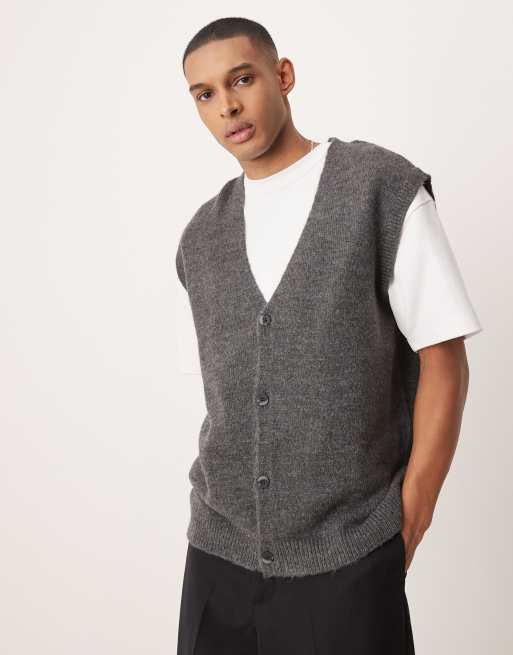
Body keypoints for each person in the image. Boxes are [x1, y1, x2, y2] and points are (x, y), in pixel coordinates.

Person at [174, 16, 483, 655]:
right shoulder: (201, 238)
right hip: (218, 557)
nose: (227, 106)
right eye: (205, 93)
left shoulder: (378, 188)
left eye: (242, 79)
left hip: (350, 558)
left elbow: (444, 358)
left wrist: (408, 522)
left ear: (283, 76)